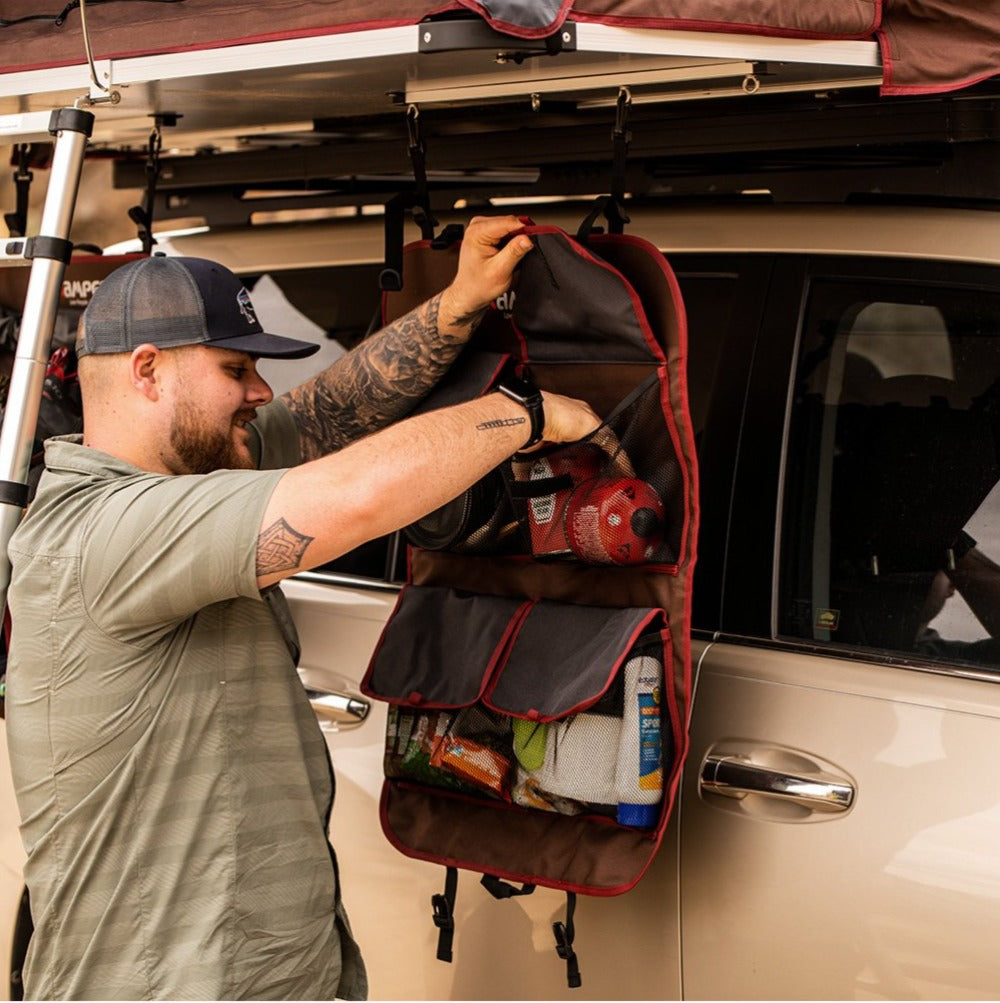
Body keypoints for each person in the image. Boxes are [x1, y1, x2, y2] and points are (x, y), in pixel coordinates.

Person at [4, 215, 601, 1001]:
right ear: (148, 370)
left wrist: (457, 304)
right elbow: (354, 496)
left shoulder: (188, 477)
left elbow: (326, 413)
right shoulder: (103, 532)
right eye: (236, 368)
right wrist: (526, 415)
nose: (261, 391)